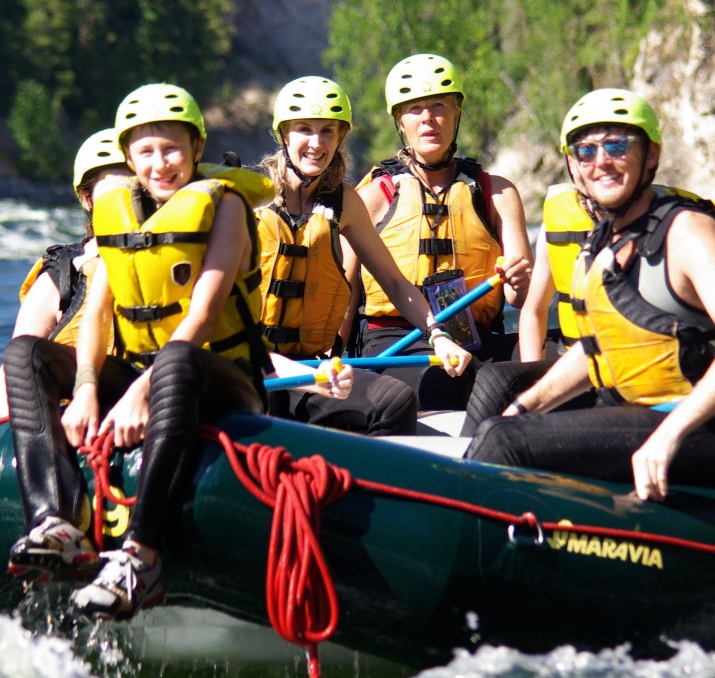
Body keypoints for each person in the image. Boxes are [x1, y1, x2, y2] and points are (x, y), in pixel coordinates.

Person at [4, 82, 289, 620]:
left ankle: (141, 555)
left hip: (222, 382)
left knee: (176, 361)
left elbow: (203, 313)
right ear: (129, 157)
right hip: (146, 373)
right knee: (27, 354)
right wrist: (87, 388)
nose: (160, 164)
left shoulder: (226, 207)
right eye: (146, 151)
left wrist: (140, 392)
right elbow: (98, 313)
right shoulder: (118, 212)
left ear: (197, 148)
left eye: (172, 149)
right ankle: (55, 520)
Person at [466, 88, 715, 502]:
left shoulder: (687, 230)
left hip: (693, 425)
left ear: (651, 155)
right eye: (585, 151)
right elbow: (597, 349)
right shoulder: (602, 243)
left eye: (617, 145)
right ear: (572, 166)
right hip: (632, 413)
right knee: (503, 418)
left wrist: (671, 432)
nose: (601, 161)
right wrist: (525, 407)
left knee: (505, 442)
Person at [256, 75, 472, 435]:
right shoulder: (250, 202)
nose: (317, 143)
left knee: (394, 402)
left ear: (341, 137)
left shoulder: (345, 202)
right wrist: (300, 375)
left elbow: (394, 282)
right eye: (304, 129)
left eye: (328, 131)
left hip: (312, 366)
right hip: (252, 365)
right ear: (284, 135)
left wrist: (438, 334)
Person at [343, 53, 533, 411]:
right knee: (447, 378)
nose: (428, 118)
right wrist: (329, 360)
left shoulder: (497, 193)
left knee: (558, 357)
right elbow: (344, 298)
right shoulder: (371, 198)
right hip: (396, 341)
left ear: (456, 114)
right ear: (400, 121)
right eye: (415, 109)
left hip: (475, 337)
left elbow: (519, 298)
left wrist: (519, 279)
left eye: (438, 106)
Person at [0, 129, 129, 415]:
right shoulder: (63, 274)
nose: (125, 201)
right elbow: (9, 379)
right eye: (113, 191)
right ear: (87, 199)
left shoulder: (185, 254)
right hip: (75, 409)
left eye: (134, 187)